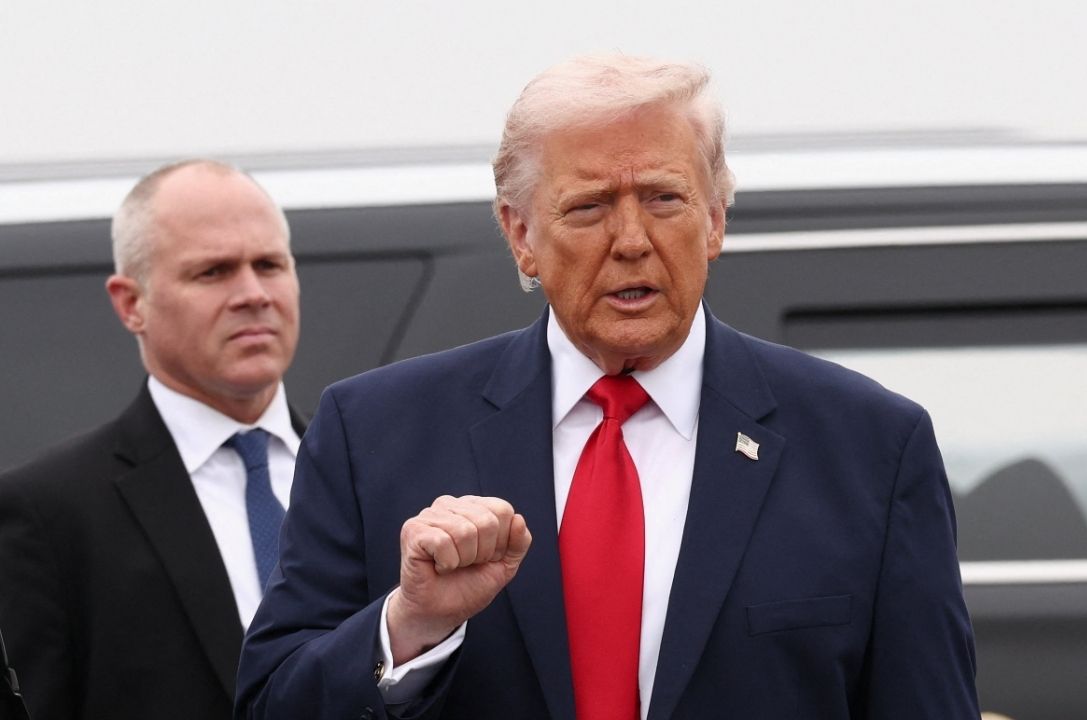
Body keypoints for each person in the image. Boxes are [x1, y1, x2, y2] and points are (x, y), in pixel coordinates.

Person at [237, 54, 979, 719]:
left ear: (715, 220)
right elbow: (273, 701)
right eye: (588, 207)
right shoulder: (373, 435)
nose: (630, 240)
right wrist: (408, 628)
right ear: (520, 234)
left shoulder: (870, 448)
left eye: (663, 199)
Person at [0, 159, 304, 720]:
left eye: (269, 264)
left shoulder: (362, 470)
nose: (253, 293)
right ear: (130, 303)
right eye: (213, 272)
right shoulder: (49, 513)